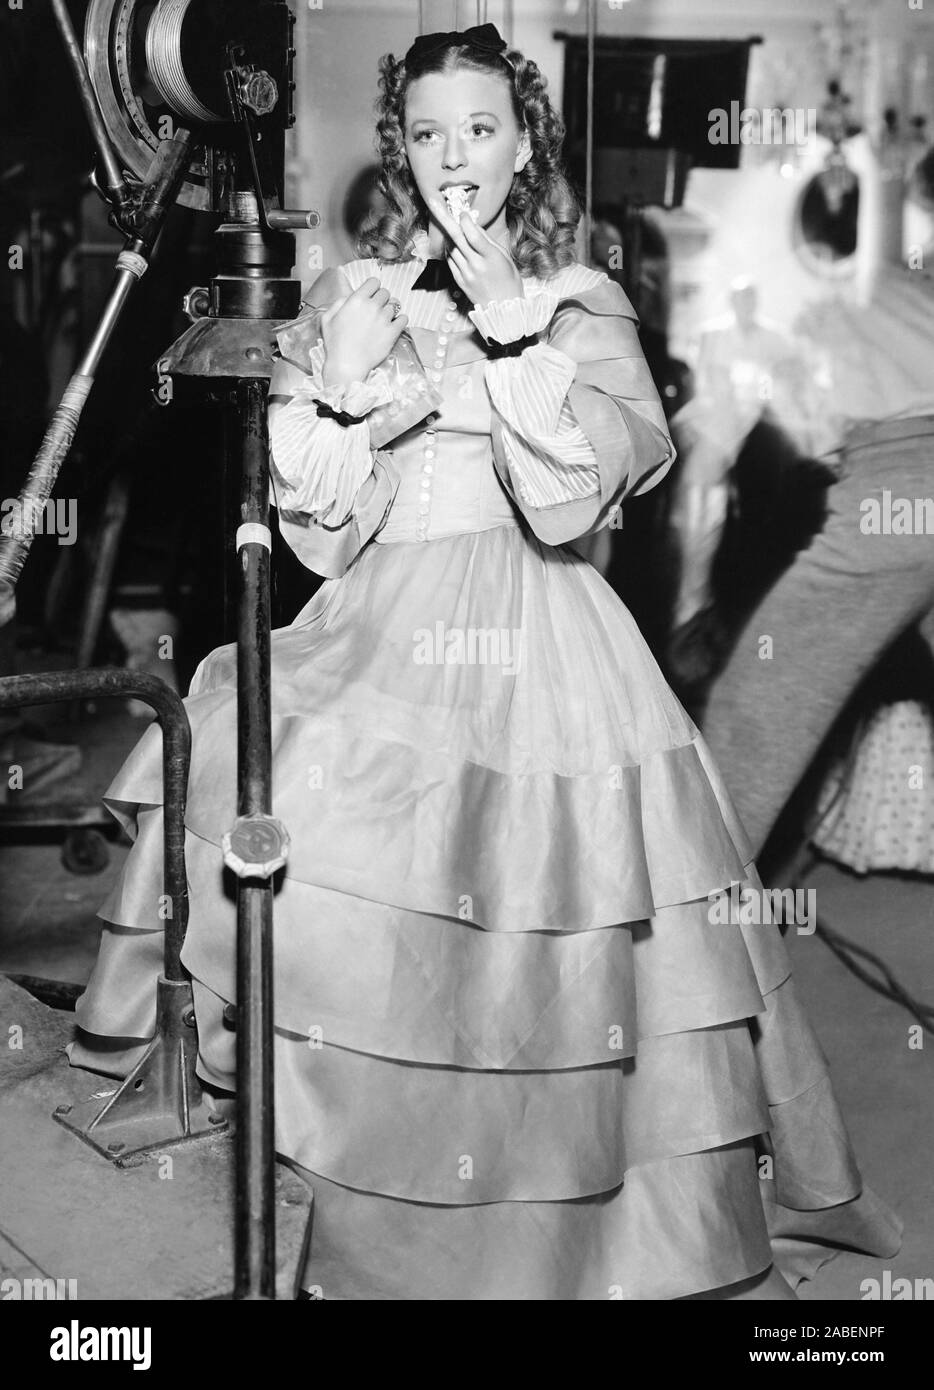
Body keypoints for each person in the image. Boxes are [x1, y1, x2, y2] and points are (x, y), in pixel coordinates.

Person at [69, 23, 900, 1300]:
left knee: (556, 902)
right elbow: (324, 540)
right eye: (428, 132)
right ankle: (330, 1155)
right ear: (400, 148)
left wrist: (517, 338)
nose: (454, 157)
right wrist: (336, 400)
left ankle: (557, 1225)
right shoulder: (358, 296)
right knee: (259, 763)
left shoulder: (581, 302)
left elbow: (577, 507)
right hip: (385, 612)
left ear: (526, 143)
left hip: (543, 625)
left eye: (481, 130)